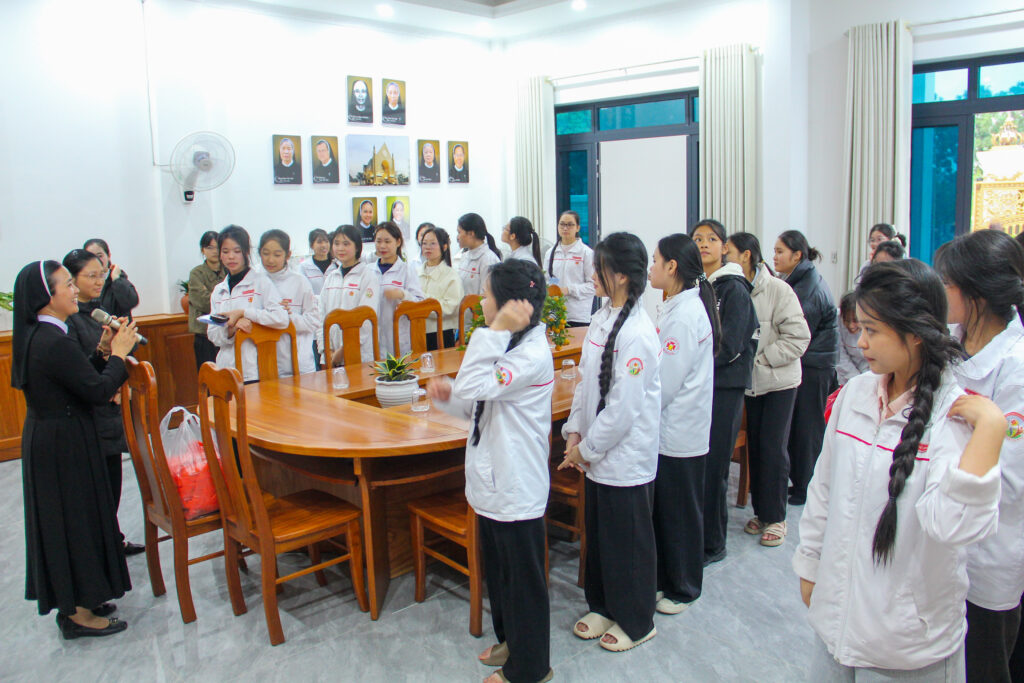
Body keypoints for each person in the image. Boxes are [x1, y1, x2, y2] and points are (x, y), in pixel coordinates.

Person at [794, 259, 1005, 680]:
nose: (861, 341)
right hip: (835, 621)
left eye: (873, 330)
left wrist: (991, 431)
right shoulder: (855, 394)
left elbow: (951, 527)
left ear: (915, 333)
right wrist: (810, 563)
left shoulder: (953, 416)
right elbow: (824, 489)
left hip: (906, 644)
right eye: (861, 328)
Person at [427, 259, 553, 683]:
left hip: (515, 484)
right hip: (494, 481)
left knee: (523, 582)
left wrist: (495, 330)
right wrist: (448, 397)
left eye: (486, 297)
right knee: (501, 576)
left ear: (508, 306)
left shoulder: (531, 352)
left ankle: (531, 668)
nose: (481, 302)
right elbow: (476, 401)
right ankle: (511, 641)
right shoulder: (512, 345)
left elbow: (477, 384)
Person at [13, 260, 138, 639]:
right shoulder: (50, 339)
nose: (73, 291)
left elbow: (78, 379)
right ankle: (77, 614)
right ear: (46, 296)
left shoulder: (48, 334)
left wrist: (102, 351)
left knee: (80, 517)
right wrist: (120, 354)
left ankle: (85, 598)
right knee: (72, 522)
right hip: (62, 444)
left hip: (59, 436)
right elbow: (97, 392)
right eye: (66, 284)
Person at [560, 232, 660, 653]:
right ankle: (602, 605)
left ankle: (637, 621)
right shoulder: (602, 318)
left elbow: (623, 409)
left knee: (628, 542)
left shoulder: (638, 333)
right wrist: (574, 431)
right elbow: (586, 384)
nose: (591, 275)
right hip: (597, 452)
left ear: (620, 276)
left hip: (625, 457)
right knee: (600, 538)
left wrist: (586, 449)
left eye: (598, 268)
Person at [935, 230, 1024, 683]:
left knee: (985, 665)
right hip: (941, 542)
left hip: (988, 553)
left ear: (978, 294)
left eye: (946, 283)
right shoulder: (950, 341)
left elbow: (1008, 481)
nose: (939, 290)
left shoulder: (1016, 366)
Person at [647, 234, 719, 614]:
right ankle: (668, 580)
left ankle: (685, 587)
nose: (651, 268)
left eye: (655, 260)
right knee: (668, 513)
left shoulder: (685, 316)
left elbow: (665, 384)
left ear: (672, 266)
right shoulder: (677, 306)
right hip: (672, 430)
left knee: (681, 515)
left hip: (679, 431)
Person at [726, 233, 811, 549]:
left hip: (778, 382)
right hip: (751, 384)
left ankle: (776, 518)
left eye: (728, 252)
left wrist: (761, 359)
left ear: (746, 256)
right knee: (757, 448)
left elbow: (799, 338)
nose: (724, 258)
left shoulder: (778, 289)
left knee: (773, 449)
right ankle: (762, 513)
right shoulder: (735, 289)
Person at [62, 249, 145, 557]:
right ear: (72, 280)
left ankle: (113, 537)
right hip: (89, 411)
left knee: (112, 482)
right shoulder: (69, 321)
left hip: (110, 407)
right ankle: (101, 546)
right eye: (91, 276)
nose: (99, 281)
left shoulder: (101, 312)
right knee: (94, 488)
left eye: (102, 275)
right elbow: (79, 370)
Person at [690, 219, 757, 563]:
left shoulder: (734, 288)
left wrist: (691, 365)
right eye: (697, 239)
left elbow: (730, 346)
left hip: (724, 388)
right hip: (701, 387)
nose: (704, 244)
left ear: (724, 246)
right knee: (699, 465)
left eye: (711, 239)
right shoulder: (699, 285)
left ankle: (713, 544)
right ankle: (697, 536)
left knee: (715, 466)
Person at [773, 229, 839, 506]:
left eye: (780, 252)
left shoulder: (808, 287)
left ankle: (807, 486)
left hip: (815, 365)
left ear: (797, 255)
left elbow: (797, 332)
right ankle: (801, 481)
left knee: (807, 426)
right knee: (800, 425)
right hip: (809, 362)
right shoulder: (797, 280)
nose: (775, 257)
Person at [206, 225, 289, 382]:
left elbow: (281, 318)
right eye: (225, 251)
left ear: (246, 252)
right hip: (226, 369)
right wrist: (232, 328)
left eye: (237, 251)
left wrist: (245, 313)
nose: (231, 257)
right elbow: (212, 334)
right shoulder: (219, 291)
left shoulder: (261, 283)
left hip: (255, 370)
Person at [258, 230, 319, 376]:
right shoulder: (255, 282)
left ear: (287, 255)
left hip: (299, 365)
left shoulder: (300, 282)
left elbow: (313, 322)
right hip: (266, 365)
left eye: (277, 255)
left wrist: (287, 316)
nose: (270, 260)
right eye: (265, 254)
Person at [317, 225, 380, 367]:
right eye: (336, 243)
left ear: (357, 247)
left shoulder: (367, 277)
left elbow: (365, 319)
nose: (340, 248)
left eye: (346, 244)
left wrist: (342, 351)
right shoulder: (331, 278)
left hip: (358, 355)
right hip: (330, 356)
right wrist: (326, 349)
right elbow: (320, 316)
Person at [374, 222, 425, 356]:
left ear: (398, 242)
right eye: (378, 241)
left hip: (399, 339)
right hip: (374, 340)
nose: (382, 246)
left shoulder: (407, 270)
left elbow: (420, 303)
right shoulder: (369, 271)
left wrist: (402, 294)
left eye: (387, 241)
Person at [544, 210, 595, 327]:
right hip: (554, 314)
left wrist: (569, 290)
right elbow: (548, 279)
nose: (565, 228)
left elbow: (593, 286)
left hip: (578, 315)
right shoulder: (550, 253)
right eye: (562, 224)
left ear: (577, 228)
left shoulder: (586, 253)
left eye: (570, 225)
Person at [418, 226, 463, 350]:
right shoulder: (416, 273)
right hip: (417, 331)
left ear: (444, 247)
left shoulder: (451, 275)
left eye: (433, 243)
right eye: (424, 243)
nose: (427, 247)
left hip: (441, 333)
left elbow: (450, 307)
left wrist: (423, 305)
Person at [187, 231, 227, 370]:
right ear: (202, 250)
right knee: (208, 376)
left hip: (226, 333)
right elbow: (203, 302)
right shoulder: (197, 273)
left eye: (217, 247)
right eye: (210, 247)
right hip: (204, 335)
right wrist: (225, 302)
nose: (214, 251)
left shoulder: (229, 271)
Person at [83, 238, 139, 319]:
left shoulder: (117, 278)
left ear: (108, 256)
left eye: (100, 256)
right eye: (91, 257)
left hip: (119, 325)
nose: (96, 260)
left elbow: (131, 302)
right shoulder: (83, 282)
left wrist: (116, 279)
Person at [456, 212, 502, 296]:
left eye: (459, 232)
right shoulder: (465, 256)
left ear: (471, 233)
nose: (457, 237)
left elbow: (486, 296)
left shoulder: (488, 260)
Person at [836, 291, 869, 385]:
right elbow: (840, 356)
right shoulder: (837, 320)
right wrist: (856, 379)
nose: (851, 326)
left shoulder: (873, 327)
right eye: (846, 320)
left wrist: (864, 380)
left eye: (855, 321)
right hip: (846, 376)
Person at [298, 228, 333, 296]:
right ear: (311, 245)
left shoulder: (337, 265)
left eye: (326, 241)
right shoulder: (304, 267)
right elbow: (303, 291)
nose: (324, 245)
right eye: (319, 242)